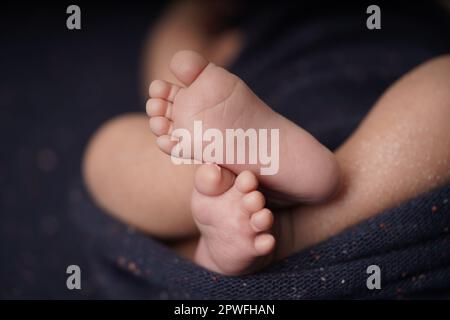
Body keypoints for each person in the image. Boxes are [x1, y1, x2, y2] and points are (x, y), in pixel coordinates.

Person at [82, 0, 450, 275]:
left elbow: (173, 60)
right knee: (108, 149)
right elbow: (177, 76)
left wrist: (191, 17)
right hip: (245, 132)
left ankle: (284, 229)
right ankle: (234, 185)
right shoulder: (243, 26)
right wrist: (194, 15)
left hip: (373, 133)